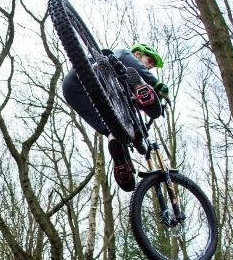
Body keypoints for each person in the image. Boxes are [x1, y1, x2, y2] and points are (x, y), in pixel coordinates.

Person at [62, 43, 170, 192]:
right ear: (138, 54)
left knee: (112, 129)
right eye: (149, 60)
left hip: (73, 91)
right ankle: (143, 89)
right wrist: (156, 84)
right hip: (89, 74)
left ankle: (120, 159)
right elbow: (126, 59)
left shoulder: (121, 94)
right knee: (128, 74)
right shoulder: (123, 55)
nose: (150, 66)